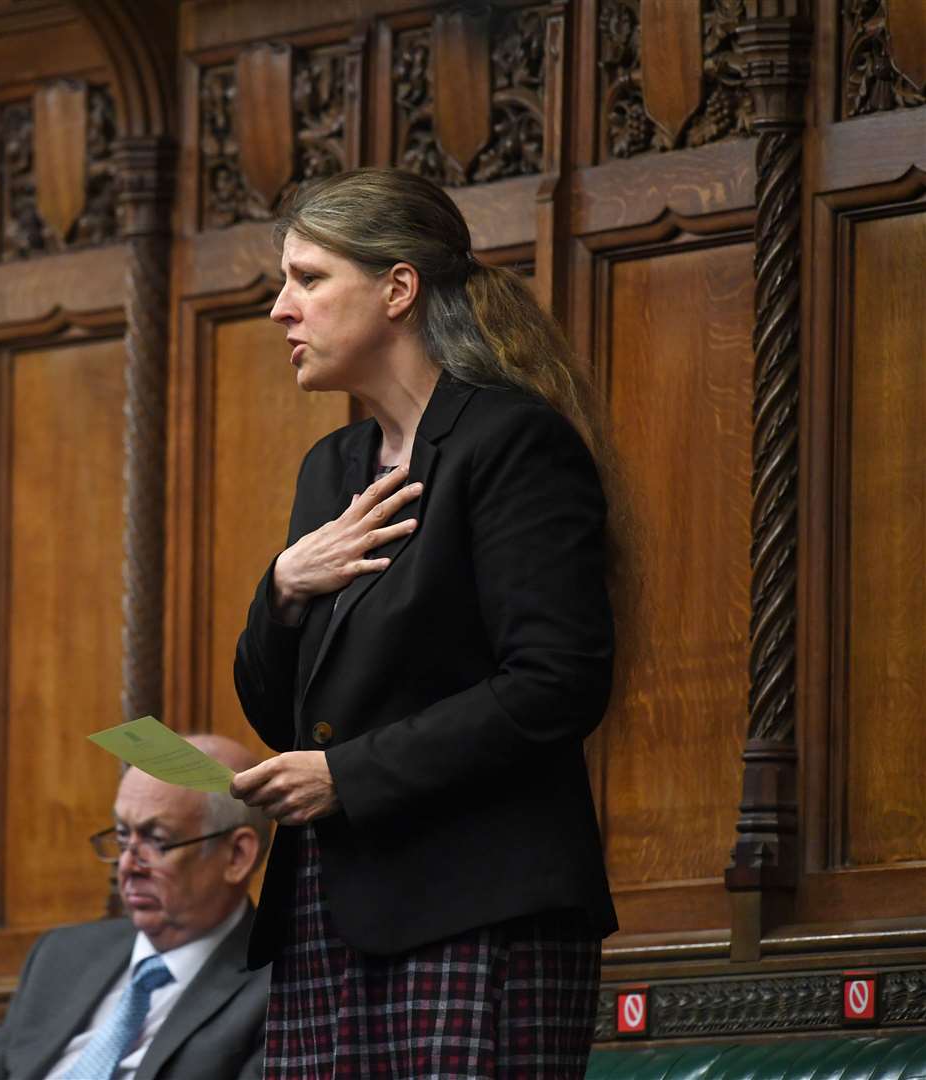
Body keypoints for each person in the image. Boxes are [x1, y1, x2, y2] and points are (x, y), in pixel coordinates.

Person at [229, 167, 619, 1078]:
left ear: (398, 288)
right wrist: (284, 586)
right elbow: (279, 707)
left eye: (309, 279)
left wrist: (346, 776)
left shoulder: (511, 441)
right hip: (329, 906)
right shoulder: (333, 468)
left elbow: (556, 683)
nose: (281, 310)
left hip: (479, 903)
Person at [0, 735, 272, 1080]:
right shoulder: (61, 955)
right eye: (123, 836)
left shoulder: (276, 991)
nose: (127, 864)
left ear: (237, 856)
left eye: (157, 840)